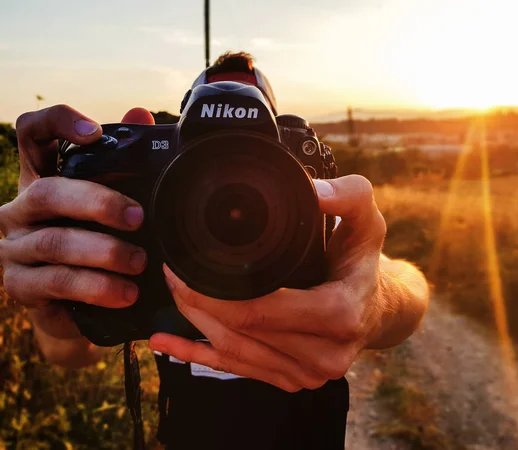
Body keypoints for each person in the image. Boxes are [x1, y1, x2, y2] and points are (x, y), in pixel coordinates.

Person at [0, 52, 429, 449]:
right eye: (211, 142)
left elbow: (408, 288)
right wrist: (49, 288)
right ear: (180, 137)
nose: (228, 163)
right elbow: (69, 352)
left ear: (281, 140)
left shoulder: (305, 201)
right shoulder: (143, 209)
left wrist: (375, 301)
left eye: (246, 136)